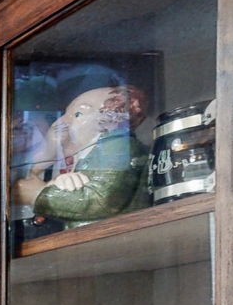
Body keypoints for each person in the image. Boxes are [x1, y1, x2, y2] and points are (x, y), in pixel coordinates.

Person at [13, 84, 149, 222]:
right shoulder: (80, 156)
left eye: (78, 114)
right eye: (65, 115)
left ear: (110, 120)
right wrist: (49, 152)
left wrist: (38, 194)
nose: (60, 122)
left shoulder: (117, 146)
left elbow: (101, 200)